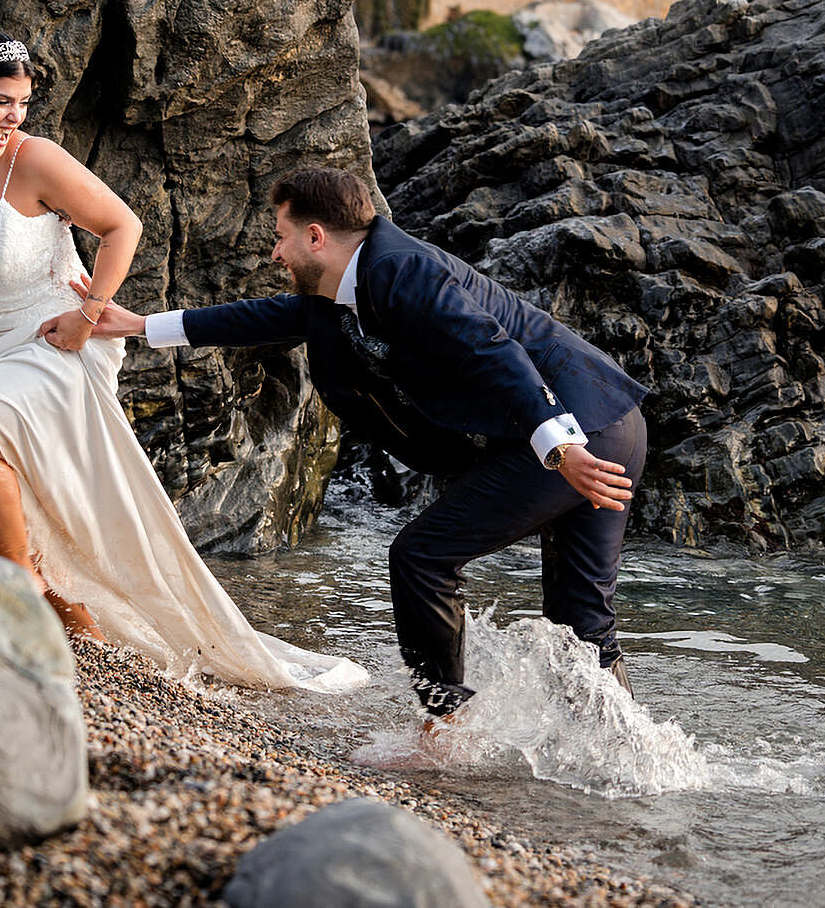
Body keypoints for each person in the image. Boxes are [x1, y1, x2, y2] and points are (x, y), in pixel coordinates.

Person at [0, 31, 364, 694]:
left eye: (23, 103)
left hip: (51, 337)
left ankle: (24, 586)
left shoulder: (37, 161)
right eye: (0, 102)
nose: (14, 117)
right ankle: (72, 615)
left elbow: (123, 226)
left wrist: (88, 317)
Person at [79, 166, 648, 717]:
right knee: (583, 619)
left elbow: (494, 352)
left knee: (421, 556)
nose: (276, 253)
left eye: (280, 237)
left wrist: (562, 448)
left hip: (574, 433)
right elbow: (265, 317)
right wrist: (141, 327)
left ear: (316, 236)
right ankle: (629, 759)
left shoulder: (403, 270)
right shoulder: (348, 286)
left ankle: (444, 726)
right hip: (613, 422)